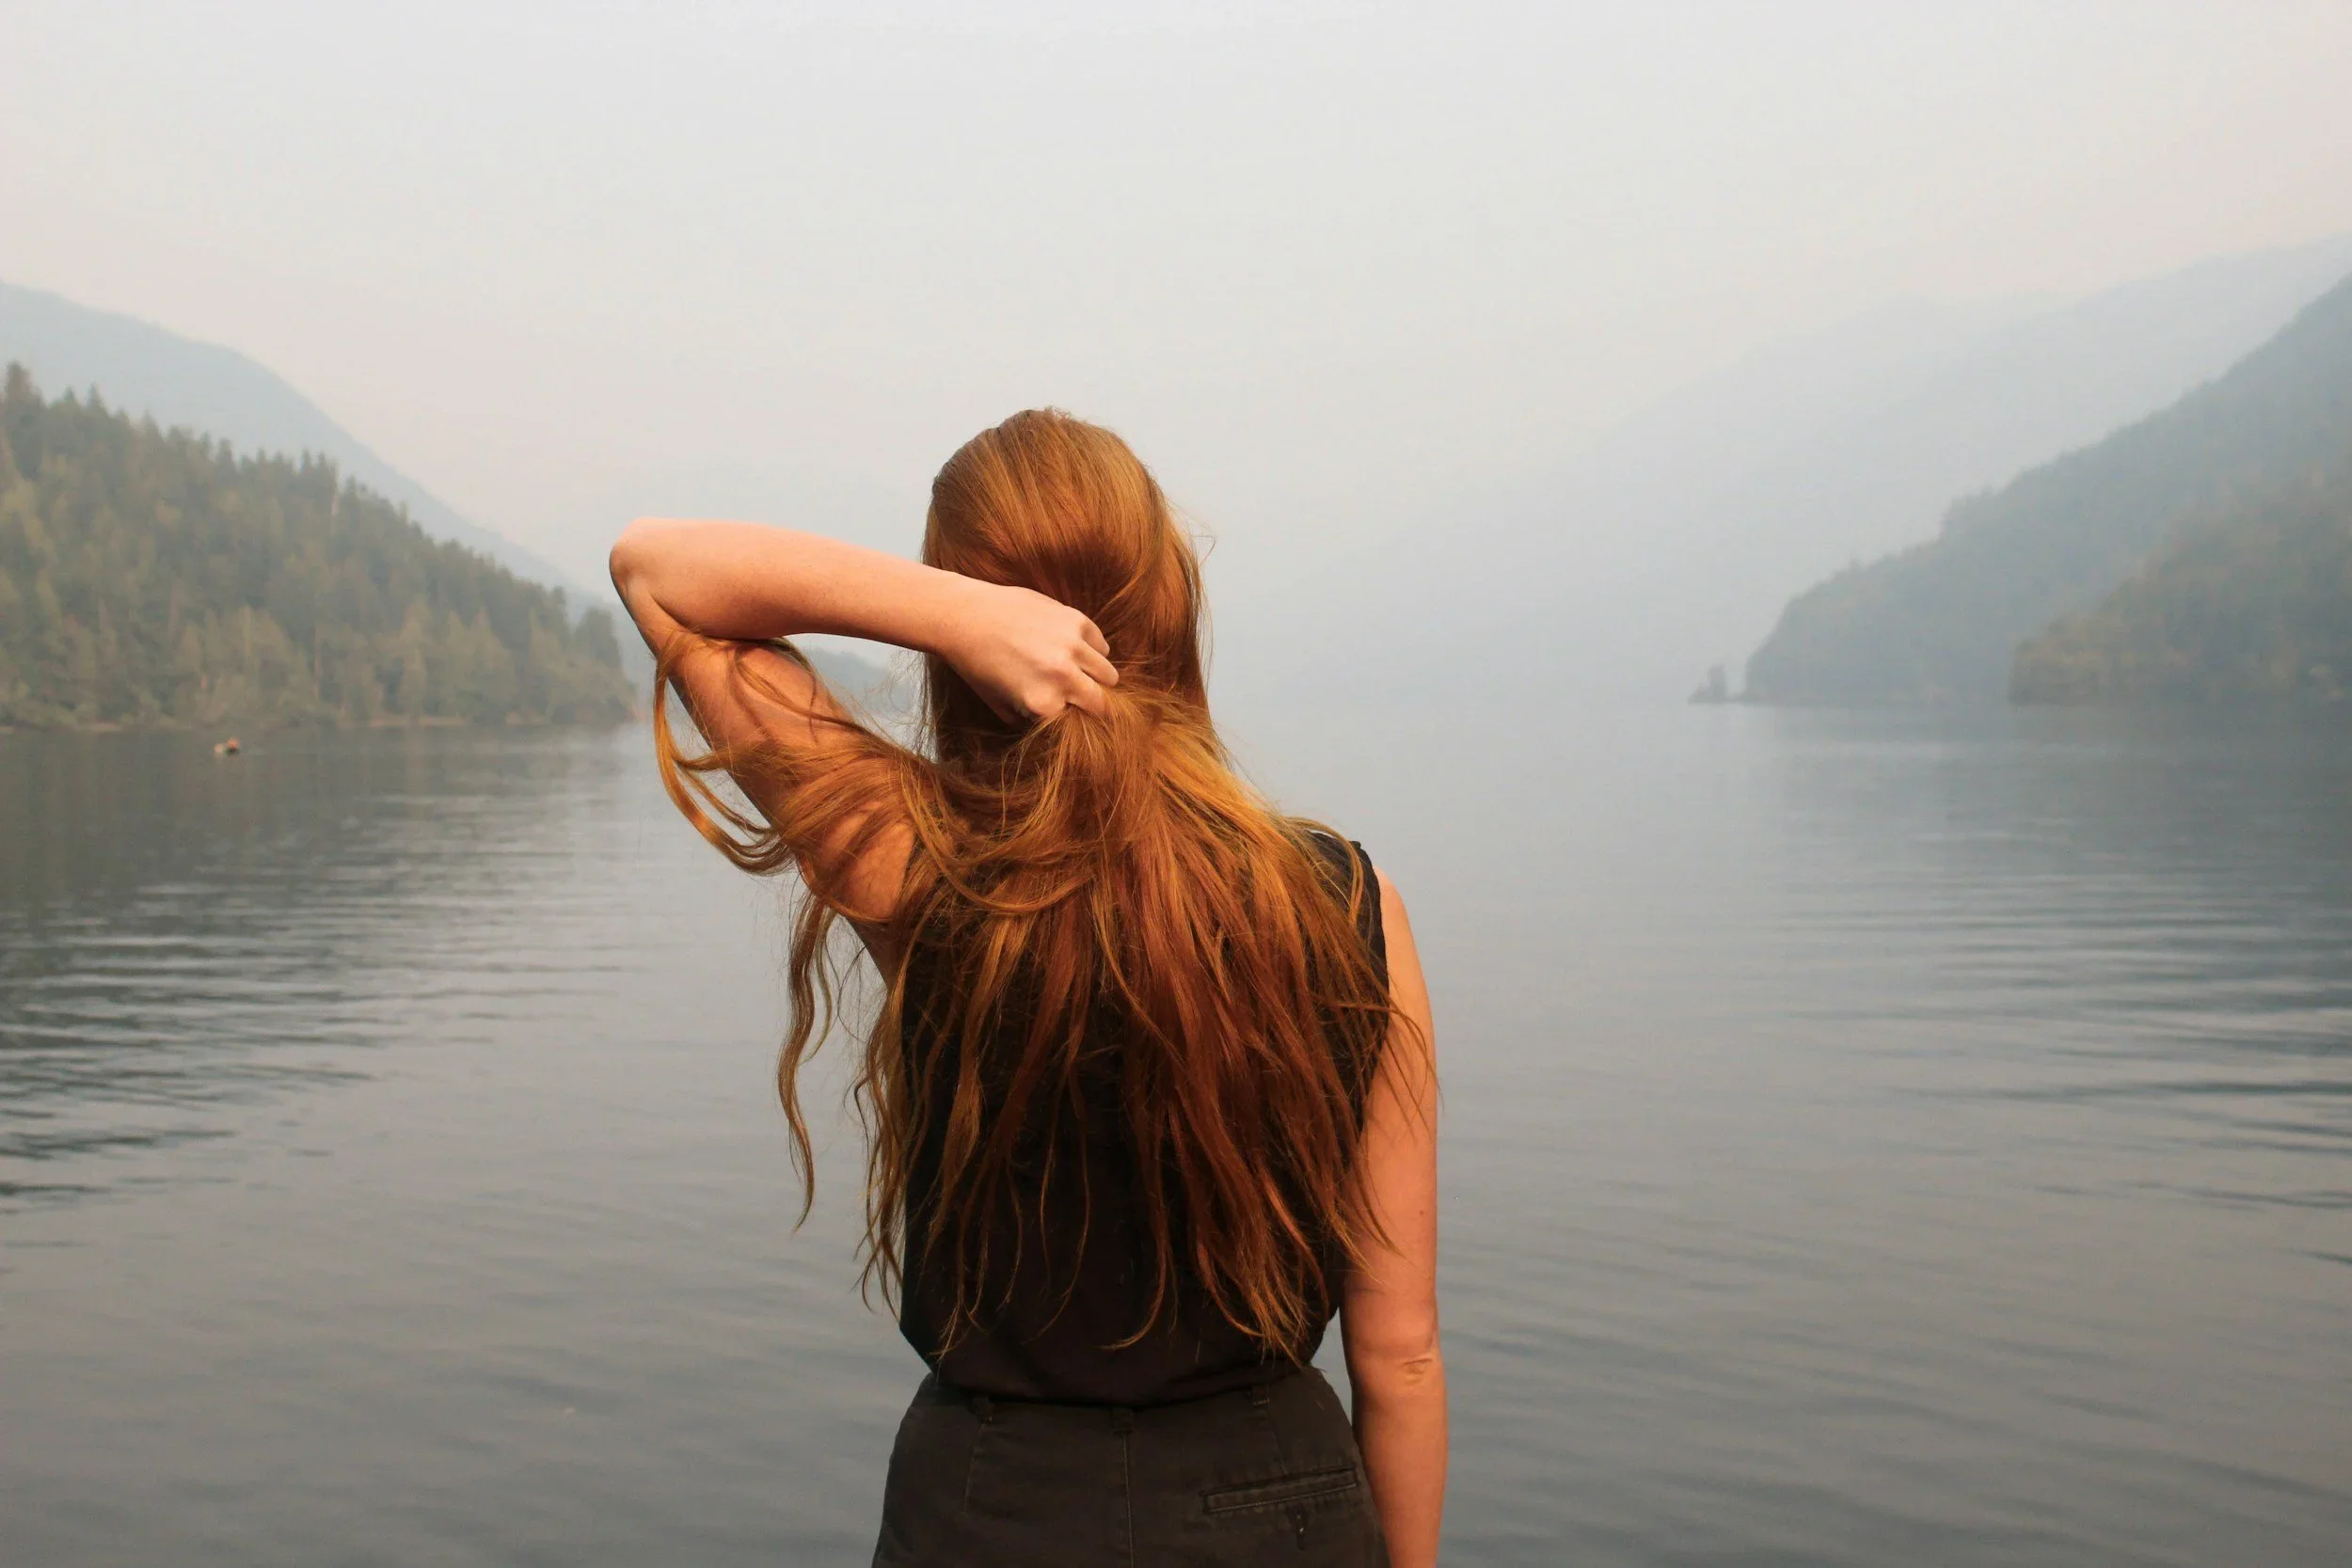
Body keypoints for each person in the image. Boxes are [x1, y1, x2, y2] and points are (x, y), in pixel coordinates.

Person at [609, 409, 1444, 1566]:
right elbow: (1398, 1355)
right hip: (1283, 1504)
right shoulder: (1348, 902)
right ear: (1171, 603)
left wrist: (951, 613)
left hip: (995, 1508)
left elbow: (655, 570)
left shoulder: (917, 868)